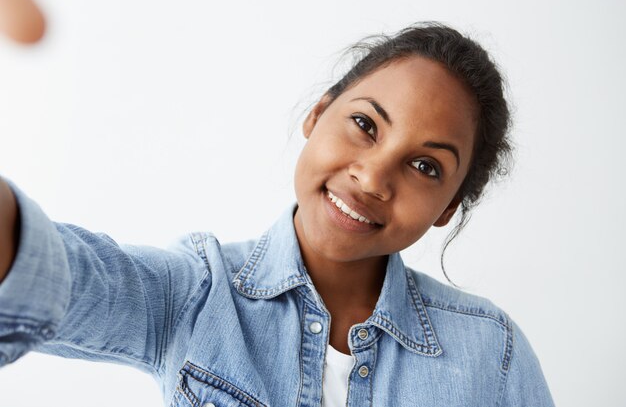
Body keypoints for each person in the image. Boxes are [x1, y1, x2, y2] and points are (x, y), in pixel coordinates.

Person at [0, 23, 554, 406]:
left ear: (447, 208)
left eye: (425, 166)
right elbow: (53, 276)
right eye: (365, 125)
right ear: (318, 113)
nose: (372, 178)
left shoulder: (491, 350)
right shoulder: (197, 292)